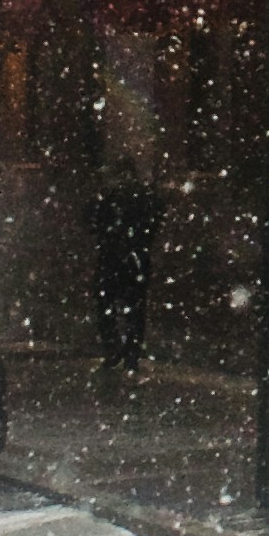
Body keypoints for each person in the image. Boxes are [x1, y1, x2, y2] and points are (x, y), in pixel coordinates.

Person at [91, 43, 164, 385]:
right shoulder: (143, 196)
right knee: (134, 309)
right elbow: (154, 218)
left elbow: (93, 219)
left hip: (114, 256)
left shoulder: (112, 196)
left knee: (108, 305)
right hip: (135, 257)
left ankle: (116, 350)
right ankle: (130, 353)